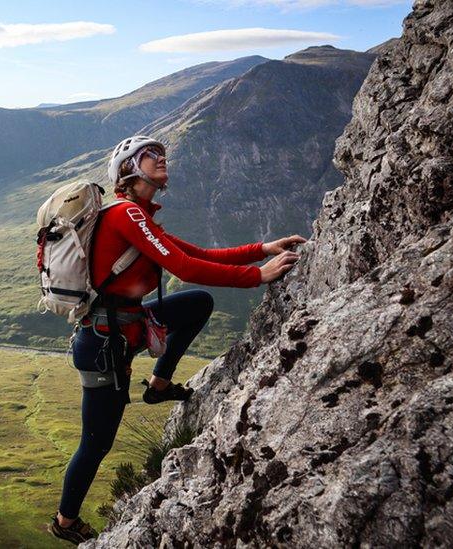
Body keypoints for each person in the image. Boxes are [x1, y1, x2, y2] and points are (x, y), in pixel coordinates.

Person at [48, 135, 305, 544]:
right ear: (129, 169)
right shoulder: (125, 215)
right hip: (102, 345)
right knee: (96, 443)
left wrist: (261, 249)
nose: (161, 158)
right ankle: (64, 522)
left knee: (197, 304)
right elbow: (185, 265)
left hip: (126, 327)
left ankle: (159, 385)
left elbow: (197, 254)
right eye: (151, 155)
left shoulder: (138, 217)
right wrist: (258, 275)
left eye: (161, 154)